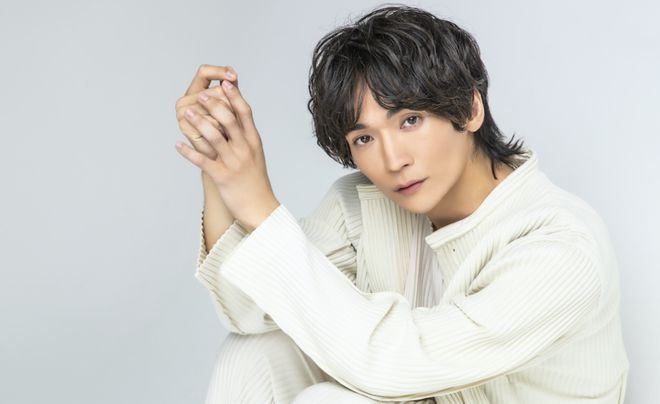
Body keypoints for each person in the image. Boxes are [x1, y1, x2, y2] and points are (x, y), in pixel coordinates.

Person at [174, 4, 629, 403]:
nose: (393, 161)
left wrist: (260, 207)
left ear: (470, 110)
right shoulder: (361, 206)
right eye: (364, 138)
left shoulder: (560, 245)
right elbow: (251, 312)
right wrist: (219, 161)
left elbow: (397, 363)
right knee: (253, 353)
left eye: (410, 120)